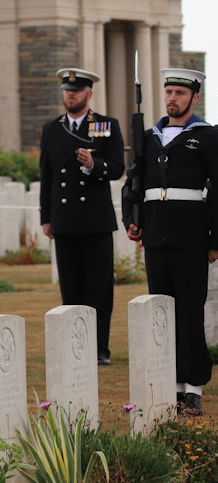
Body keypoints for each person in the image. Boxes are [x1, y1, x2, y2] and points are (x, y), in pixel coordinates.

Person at [122, 68, 218, 416]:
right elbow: (133, 180)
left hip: (191, 236)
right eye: (169, 92)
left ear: (194, 97)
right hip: (156, 235)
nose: (173, 98)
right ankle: (167, 381)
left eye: (180, 93)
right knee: (161, 313)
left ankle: (193, 387)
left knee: (189, 310)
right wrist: (132, 219)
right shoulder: (150, 136)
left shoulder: (208, 135)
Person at [39, 68, 124, 366]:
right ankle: (76, 346)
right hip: (64, 221)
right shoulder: (52, 128)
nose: (69, 95)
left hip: (95, 220)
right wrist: (45, 218)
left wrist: (93, 164)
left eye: (75, 91)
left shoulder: (105, 125)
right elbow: (46, 175)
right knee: (71, 286)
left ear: (89, 94)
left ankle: (100, 347)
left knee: (99, 288)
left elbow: (117, 167)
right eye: (66, 90)